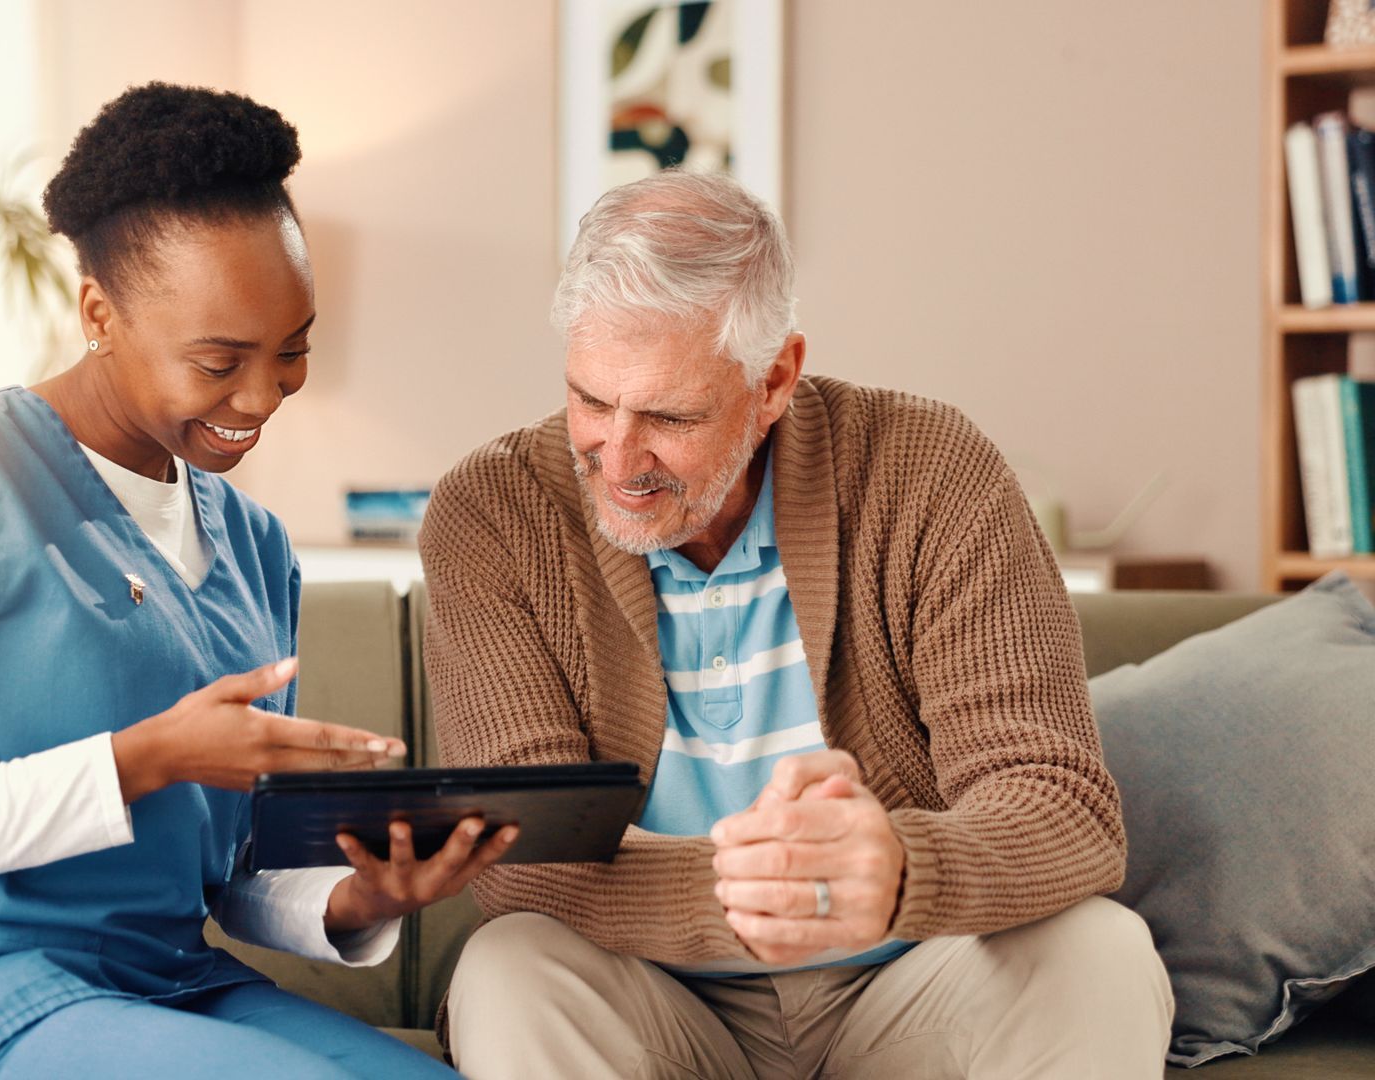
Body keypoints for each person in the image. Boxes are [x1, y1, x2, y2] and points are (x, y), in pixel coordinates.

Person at [0, 83, 511, 1080]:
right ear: (99, 313)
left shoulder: (254, 544)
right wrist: (143, 758)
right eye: (218, 361)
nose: (261, 396)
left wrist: (361, 901)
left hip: (164, 983)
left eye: (292, 350)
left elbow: (230, 870)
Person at [418, 169, 1173, 1079]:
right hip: (652, 995)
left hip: (907, 982)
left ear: (774, 378)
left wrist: (895, 873)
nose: (618, 458)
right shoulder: (493, 509)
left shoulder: (932, 470)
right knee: (508, 970)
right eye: (589, 399)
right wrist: (786, 892)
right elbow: (522, 855)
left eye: (669, 414)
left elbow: (1063, 810)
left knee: (1102, 953)